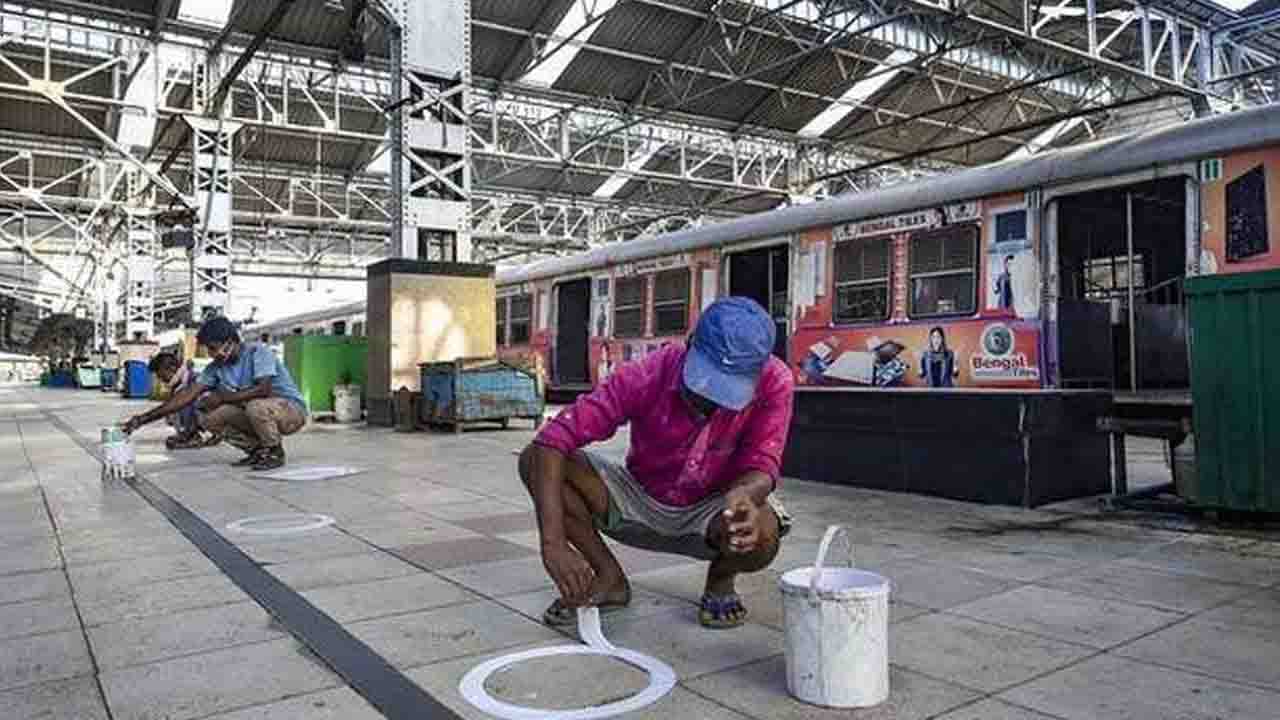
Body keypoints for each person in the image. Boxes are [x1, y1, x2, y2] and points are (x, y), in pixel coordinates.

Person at [519, 297, 794, 630]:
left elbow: (763, 462)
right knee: (534, 460)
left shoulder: (775, 381)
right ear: (689, 344)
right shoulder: (649, 372)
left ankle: (721, 579)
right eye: (706, 382)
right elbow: (552, 440)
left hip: (714, 508)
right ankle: (609, 577)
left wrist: (746, 495)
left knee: (763, 530)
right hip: (640, 498)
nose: (711, 399)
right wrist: (553, 544)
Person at [123, 316, 308, 470]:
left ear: (230, 342)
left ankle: (274, 451)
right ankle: (257, 450)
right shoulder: (215, 368)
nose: (211, 354)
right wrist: (143, 419)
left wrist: (221, 398)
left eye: (213, 347)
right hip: (257, 412)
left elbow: (263, 389)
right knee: (210, 418)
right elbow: (186, 396)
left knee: (255, 405)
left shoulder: (258, 352)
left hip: (291, 411)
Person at [147, 352, 216, 450]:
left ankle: (194, 436)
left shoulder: (193, 379)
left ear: (171, 368)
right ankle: (189, 434)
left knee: (183, 400)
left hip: (210, 422)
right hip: (202, 423)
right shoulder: (179, 383)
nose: (159, 378)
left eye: (159, 374)